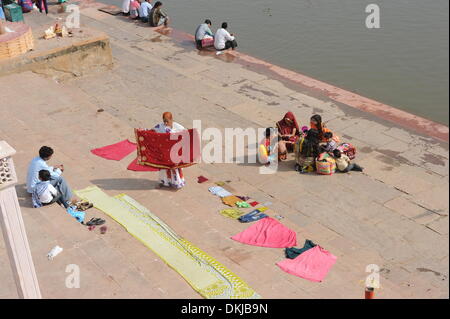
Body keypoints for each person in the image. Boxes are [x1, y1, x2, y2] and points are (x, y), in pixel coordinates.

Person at [152, 112, 186, 189]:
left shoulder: (178, 127)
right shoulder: (160, 126)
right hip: (164, 153)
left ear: (171, 119)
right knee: (163, 169)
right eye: (164, 121)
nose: (165, 123)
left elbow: (186, 134)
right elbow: (151, 132)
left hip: (174, 153)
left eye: (167, 121)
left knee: (174, 168)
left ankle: (177, 183)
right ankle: (163, 182)